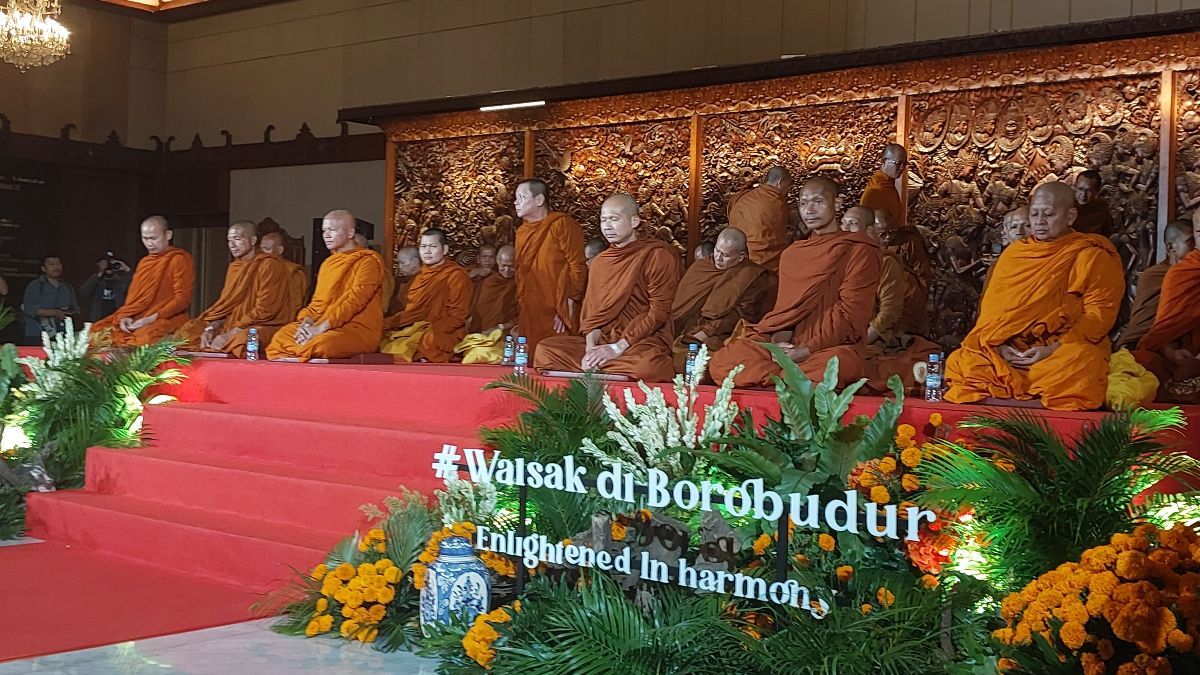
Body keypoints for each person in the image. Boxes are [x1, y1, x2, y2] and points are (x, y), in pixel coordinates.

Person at [944, 182, 1124, 411]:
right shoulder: (1015, 254)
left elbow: (1100, 316)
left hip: (1057, 351)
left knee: (1083, 362)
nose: (1039, 221)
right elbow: (992, 316)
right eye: (1035, 214)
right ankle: (1022, 392)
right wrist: (999, 346)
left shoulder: (1091, 255)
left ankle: (1012, 395)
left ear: (1070, 216)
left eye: (1048, 214)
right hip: (1010, 352)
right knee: (962, 361)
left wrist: (1053, 348)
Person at [709, 177, 881, 388]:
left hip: (829, 347)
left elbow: (851, 313)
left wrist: (807, 350)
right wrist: (778, 347)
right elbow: (786, 313)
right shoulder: (793, 254)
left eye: (818, 201)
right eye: (802, 203)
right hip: (790, 346)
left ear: (837, 204)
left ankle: (781, 377)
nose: (809, 210)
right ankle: (789, 378)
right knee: (722, 361)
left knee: (839, 364)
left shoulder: (860, 250)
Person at [534, 193, 679, 382]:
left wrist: (617, 348)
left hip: (640, 341)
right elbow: (592, 317)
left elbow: (659, 312)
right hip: (603, 341)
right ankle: (604, 369)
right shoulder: (600, 262)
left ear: (634, 221)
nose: (607, 226)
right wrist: (591, 350)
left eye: (614, 219)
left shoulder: (656, 256)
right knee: (544, 350)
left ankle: (597, 370)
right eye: (603, 220)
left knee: (649, 365)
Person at [266, 210, 386, 361]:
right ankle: (305, 352)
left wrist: (321, 328)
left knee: (324, 344)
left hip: (356, 329)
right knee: (281, 336)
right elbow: (318, 303)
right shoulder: (328, 264)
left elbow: (355, 300)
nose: (326, 235)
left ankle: (301, 352)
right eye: (324, 230)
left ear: (350, 233)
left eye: (333, 230)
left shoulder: (368, 261)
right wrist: (307, 323)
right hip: (321, 325)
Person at [843, 207, 938, 393]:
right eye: (843, 222)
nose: (845, 229)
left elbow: (888, 314)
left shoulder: (885, 263)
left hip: (872, 339)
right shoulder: (841, 259)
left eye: (853, 224)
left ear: (870, 232)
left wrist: (861, 342)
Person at [175, 222, 294, 357]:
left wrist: (231, 333)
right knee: (187, 334)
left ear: (253, 240)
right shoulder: (234, 268)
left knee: (242, 341)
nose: (232, 244)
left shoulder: (270, 266)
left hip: (261, 325)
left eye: (237, 239)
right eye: (229, 240)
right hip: (230, 324)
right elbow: (226, 307)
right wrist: (211, 327)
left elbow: (266, 309)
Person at [670, 228, 772, 373]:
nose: (718, 258)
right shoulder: (701, 266)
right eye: (717, 251)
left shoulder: (751, 276)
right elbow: (679, 305)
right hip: (683, 330)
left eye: (725, 255)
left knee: (710, 363)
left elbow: (742, 314)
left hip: (720, 335)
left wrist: (705, 332)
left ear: (741, 256)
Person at [93, 216, 195, 347]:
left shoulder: (179, 259)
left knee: (144, 340)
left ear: (168, 235)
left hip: (165, 318)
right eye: (145, 238)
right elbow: (134, 300)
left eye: (153, 238)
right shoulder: (144, 262)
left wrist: (149, 319)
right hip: (137, 318)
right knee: (95, 334)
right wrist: (126, 317)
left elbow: (182, 300)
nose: (149, 244)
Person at [1132, 211, 1200, 400]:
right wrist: (1169, 351)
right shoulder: (1172, 276)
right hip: (1172, 352)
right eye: (1194, 239)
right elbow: (1163, 328)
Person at [514, 178, 587, 354]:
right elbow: (522, 274)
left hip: (558, 309)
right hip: (532, 308)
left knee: (555, 357)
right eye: (516, 198)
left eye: (521, 197)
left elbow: (577, 265)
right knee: (531, 361)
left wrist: (569, 304)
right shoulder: (522, 232)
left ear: (539, 200)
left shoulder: (561, 224)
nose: (516, 202)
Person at [378, 228, 473, 363]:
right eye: (423, 246)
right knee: (382, 333)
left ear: (445, 250)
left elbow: (458, 316)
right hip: (417, 326)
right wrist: (390, 323)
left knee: (429, 340)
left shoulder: (455, 275)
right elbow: (413, 312)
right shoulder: (420, 276)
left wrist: (430, 329)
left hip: (445, 329)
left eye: (432, 246)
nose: (427, 251)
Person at [1117, 220, 1194, 350]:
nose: (1197, 246)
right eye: (1190, 241)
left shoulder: (1195, 276)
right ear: (1171, 248)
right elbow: (1142, 327)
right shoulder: (1153, 276)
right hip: (1151, 347)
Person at [456, 245, 519, 364]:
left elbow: (523, 316)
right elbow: (475, 309)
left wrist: (500, 328)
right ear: (498, 261)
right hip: (482, 334)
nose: (507, 270)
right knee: (472, 349)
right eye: (503, 266)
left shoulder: (521, 284)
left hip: (506, 334)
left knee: (485, 353)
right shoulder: (488, 282)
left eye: (511, 266)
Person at [727, 166, 792, 271]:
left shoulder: (744, 196)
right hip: (761, 261)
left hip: (735, 257)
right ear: (780, 183)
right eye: (788, 186)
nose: (788, 190)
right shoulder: (776, 203)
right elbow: (777, 240)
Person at [21, 254, 79, 342]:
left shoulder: (67, 286)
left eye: (58, 264)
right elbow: (29, 308)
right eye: (51, 264)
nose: (56, 267)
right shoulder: (35, 285)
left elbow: (75, 309)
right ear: (43, 268)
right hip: (37, 333)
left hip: (63, 334)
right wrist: (55, 313)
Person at [259, 231, 309, 319]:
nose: (262, 254)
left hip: (279, 320)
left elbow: (295, 306)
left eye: (267, 249)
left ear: (280, 250)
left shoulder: (293, 272)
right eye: (260, 250)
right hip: (258, 316)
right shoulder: (259, 269)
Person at [861, 143, 908, 226]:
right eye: (898, 163)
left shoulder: (889, 184)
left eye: (904, 164)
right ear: (883, 161)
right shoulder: (875, 190)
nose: (901, 168)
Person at [79, 254, 132, 322]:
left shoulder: (120, 281)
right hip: (98, 320)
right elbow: (83, 291)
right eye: (106, 263)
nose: (109, 266)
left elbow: (138, 283)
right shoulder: (96, 280)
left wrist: (126, 268)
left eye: (111, 263)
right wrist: (100, 273)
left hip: (116, 320)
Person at [1072, 170, 1116, 237]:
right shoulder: (1065, 203)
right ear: (1075, 186)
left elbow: (1107, 232)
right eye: (1080, 189)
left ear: (1097, 191)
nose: (1083, 195)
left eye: (1089, 190)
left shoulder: (1102, 208)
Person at [386, 246, 421, 315]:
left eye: (402, 263)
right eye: (398, 263)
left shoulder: (425, 280)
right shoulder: (398, 281)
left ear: (415, 261)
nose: (400, 267)